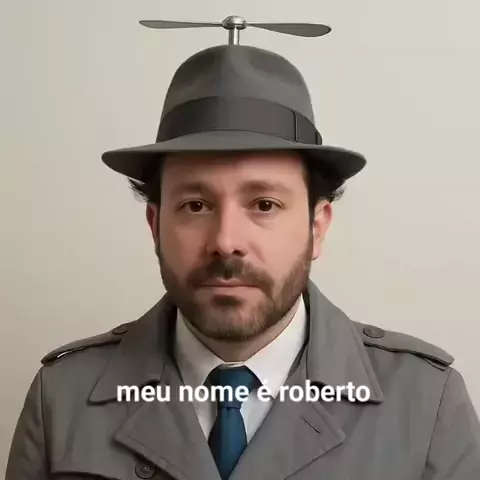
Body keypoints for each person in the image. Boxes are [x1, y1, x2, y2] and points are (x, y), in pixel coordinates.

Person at [6, 41, 480, 480]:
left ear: (317, 227)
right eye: (196, 205)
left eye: (264, 204)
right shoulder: (61, 398)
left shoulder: (426, 405)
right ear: (155, 225)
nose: (226, 241)